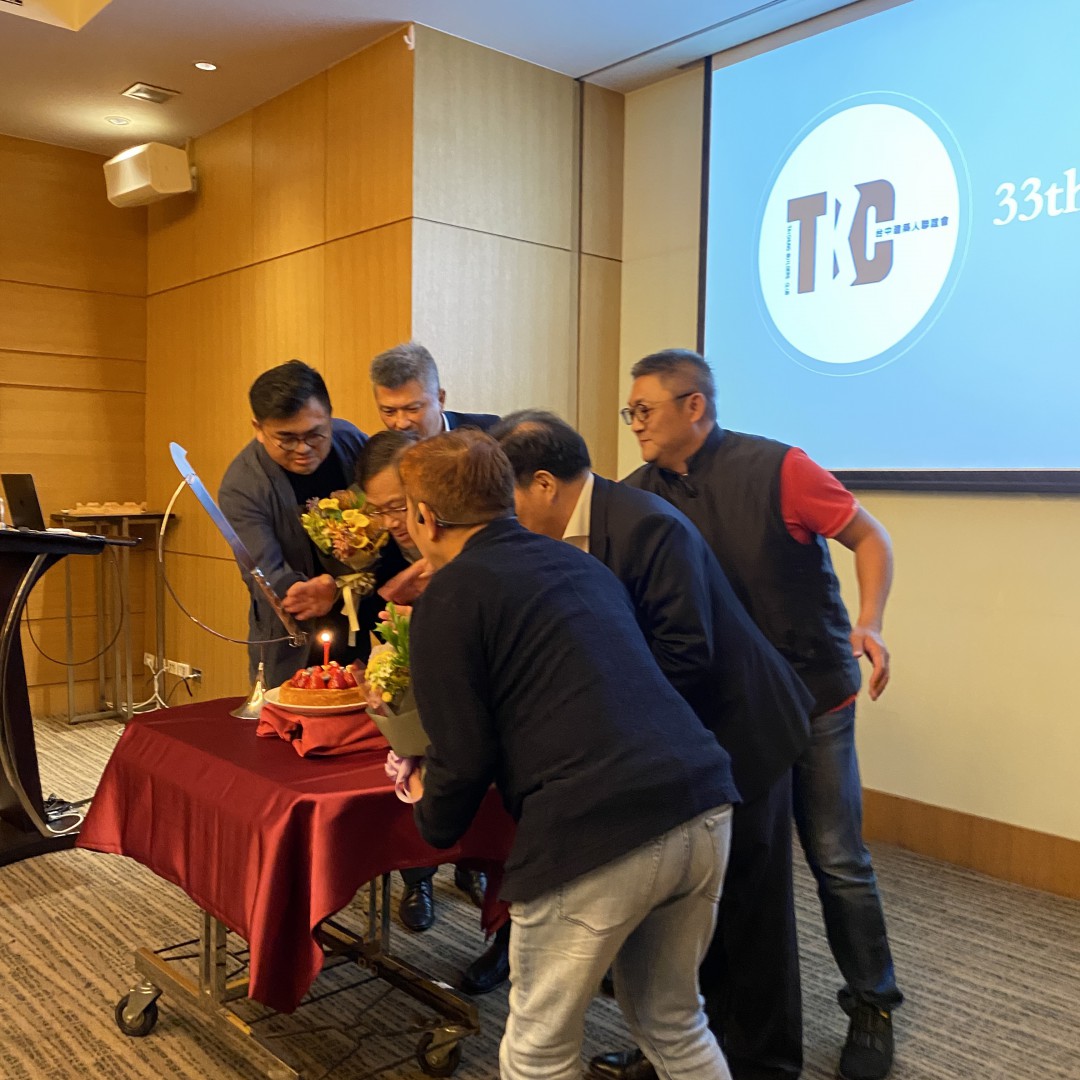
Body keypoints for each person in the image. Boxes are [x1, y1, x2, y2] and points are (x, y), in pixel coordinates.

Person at [399, 429, 740, 1080]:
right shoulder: (579, 564)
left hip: (598, 827)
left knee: (538, 1052)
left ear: (426, 518)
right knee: (674, 1022)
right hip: (701, 801)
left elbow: (463, 756)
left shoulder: (451, 593)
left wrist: (428, 816)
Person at [490, 410, 814, 1068]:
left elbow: (685, 656)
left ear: (544, 484)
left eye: (506, 499)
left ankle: (765, 1065)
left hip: (739, 731)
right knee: (684, 926)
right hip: (677, 745)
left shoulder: (647, 526)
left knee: (749, 917)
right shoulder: (562, 538)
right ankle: (681, 1050)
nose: (504, 519)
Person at [619, 348, 902, 1080]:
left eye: (644, 410)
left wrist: (869, 622)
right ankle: (696, 1029)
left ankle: (872, 1004)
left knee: (836, 857)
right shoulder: (636, 494)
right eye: (630, 412)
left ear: (694, 406)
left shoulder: (781, 468)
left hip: (813, 695)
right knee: (727, 868)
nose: (635, 424)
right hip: (724, 711)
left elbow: (870, 536)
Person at [355, 430, 488, 931]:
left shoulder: (466, 547)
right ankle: (418, 879)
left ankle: (478, 865)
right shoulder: (380, 548)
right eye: (378, 510)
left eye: (398, 506)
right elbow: (373, 618)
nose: (392, 523)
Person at [219, 360, 379, 688]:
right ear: (258, 428)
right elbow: (264, 571)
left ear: (330, 417)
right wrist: (297, 590)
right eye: (286, 438)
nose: (303, 449)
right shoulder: (242, 485)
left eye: (315, 434)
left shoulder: (352, 442)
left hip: (360, 618)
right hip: (292, 633)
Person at [370, 341, 498, 439]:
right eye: (389, 411)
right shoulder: (378, 456)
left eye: (412, 409)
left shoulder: (490, 432)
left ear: (440, 399)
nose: (401, 424)